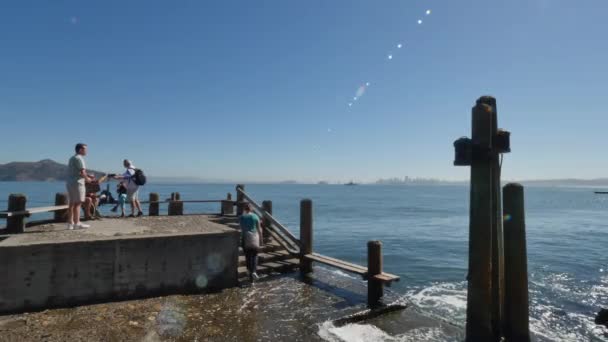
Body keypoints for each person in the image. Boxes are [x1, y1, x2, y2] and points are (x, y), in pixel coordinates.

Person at [66, 143, 94, 230]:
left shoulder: (72, 158)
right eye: (85, 149)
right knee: (78, 203)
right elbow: (82, 172)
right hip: (78, 183)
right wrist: (88, 179)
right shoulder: (80, 158)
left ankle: (70, 223)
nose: (86, 151)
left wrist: (87, 175)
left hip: (70, 182)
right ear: (80, 150)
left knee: (71, 203)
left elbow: (76, 171)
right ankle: (77, 223)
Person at [239, 203, 263, 281]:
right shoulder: (256, 216)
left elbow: (242, 229)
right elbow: (259, 230)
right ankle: (254, 272)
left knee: (248, 256)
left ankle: (250, 274)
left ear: (244, 209)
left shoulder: (242, 217)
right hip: (255, 238)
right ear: (251, 208)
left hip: (245, 238)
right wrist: (261, 240)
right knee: (255, 255)